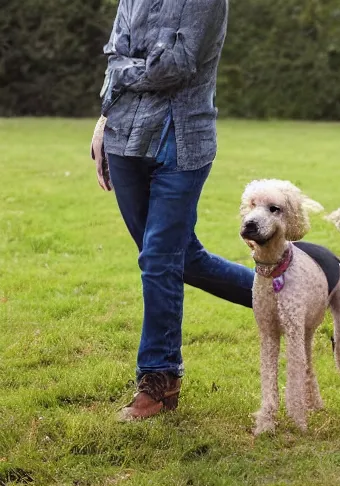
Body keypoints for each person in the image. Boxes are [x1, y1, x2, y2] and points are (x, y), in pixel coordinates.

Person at [89, 0, 255, 421]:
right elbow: (114, 55)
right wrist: (103, 120)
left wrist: (128, 69)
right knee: (183, 260)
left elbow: (176, 66)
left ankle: (159, 379)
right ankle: (292, 292)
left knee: (159, 260)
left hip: (183, 143)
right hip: (123, 139)